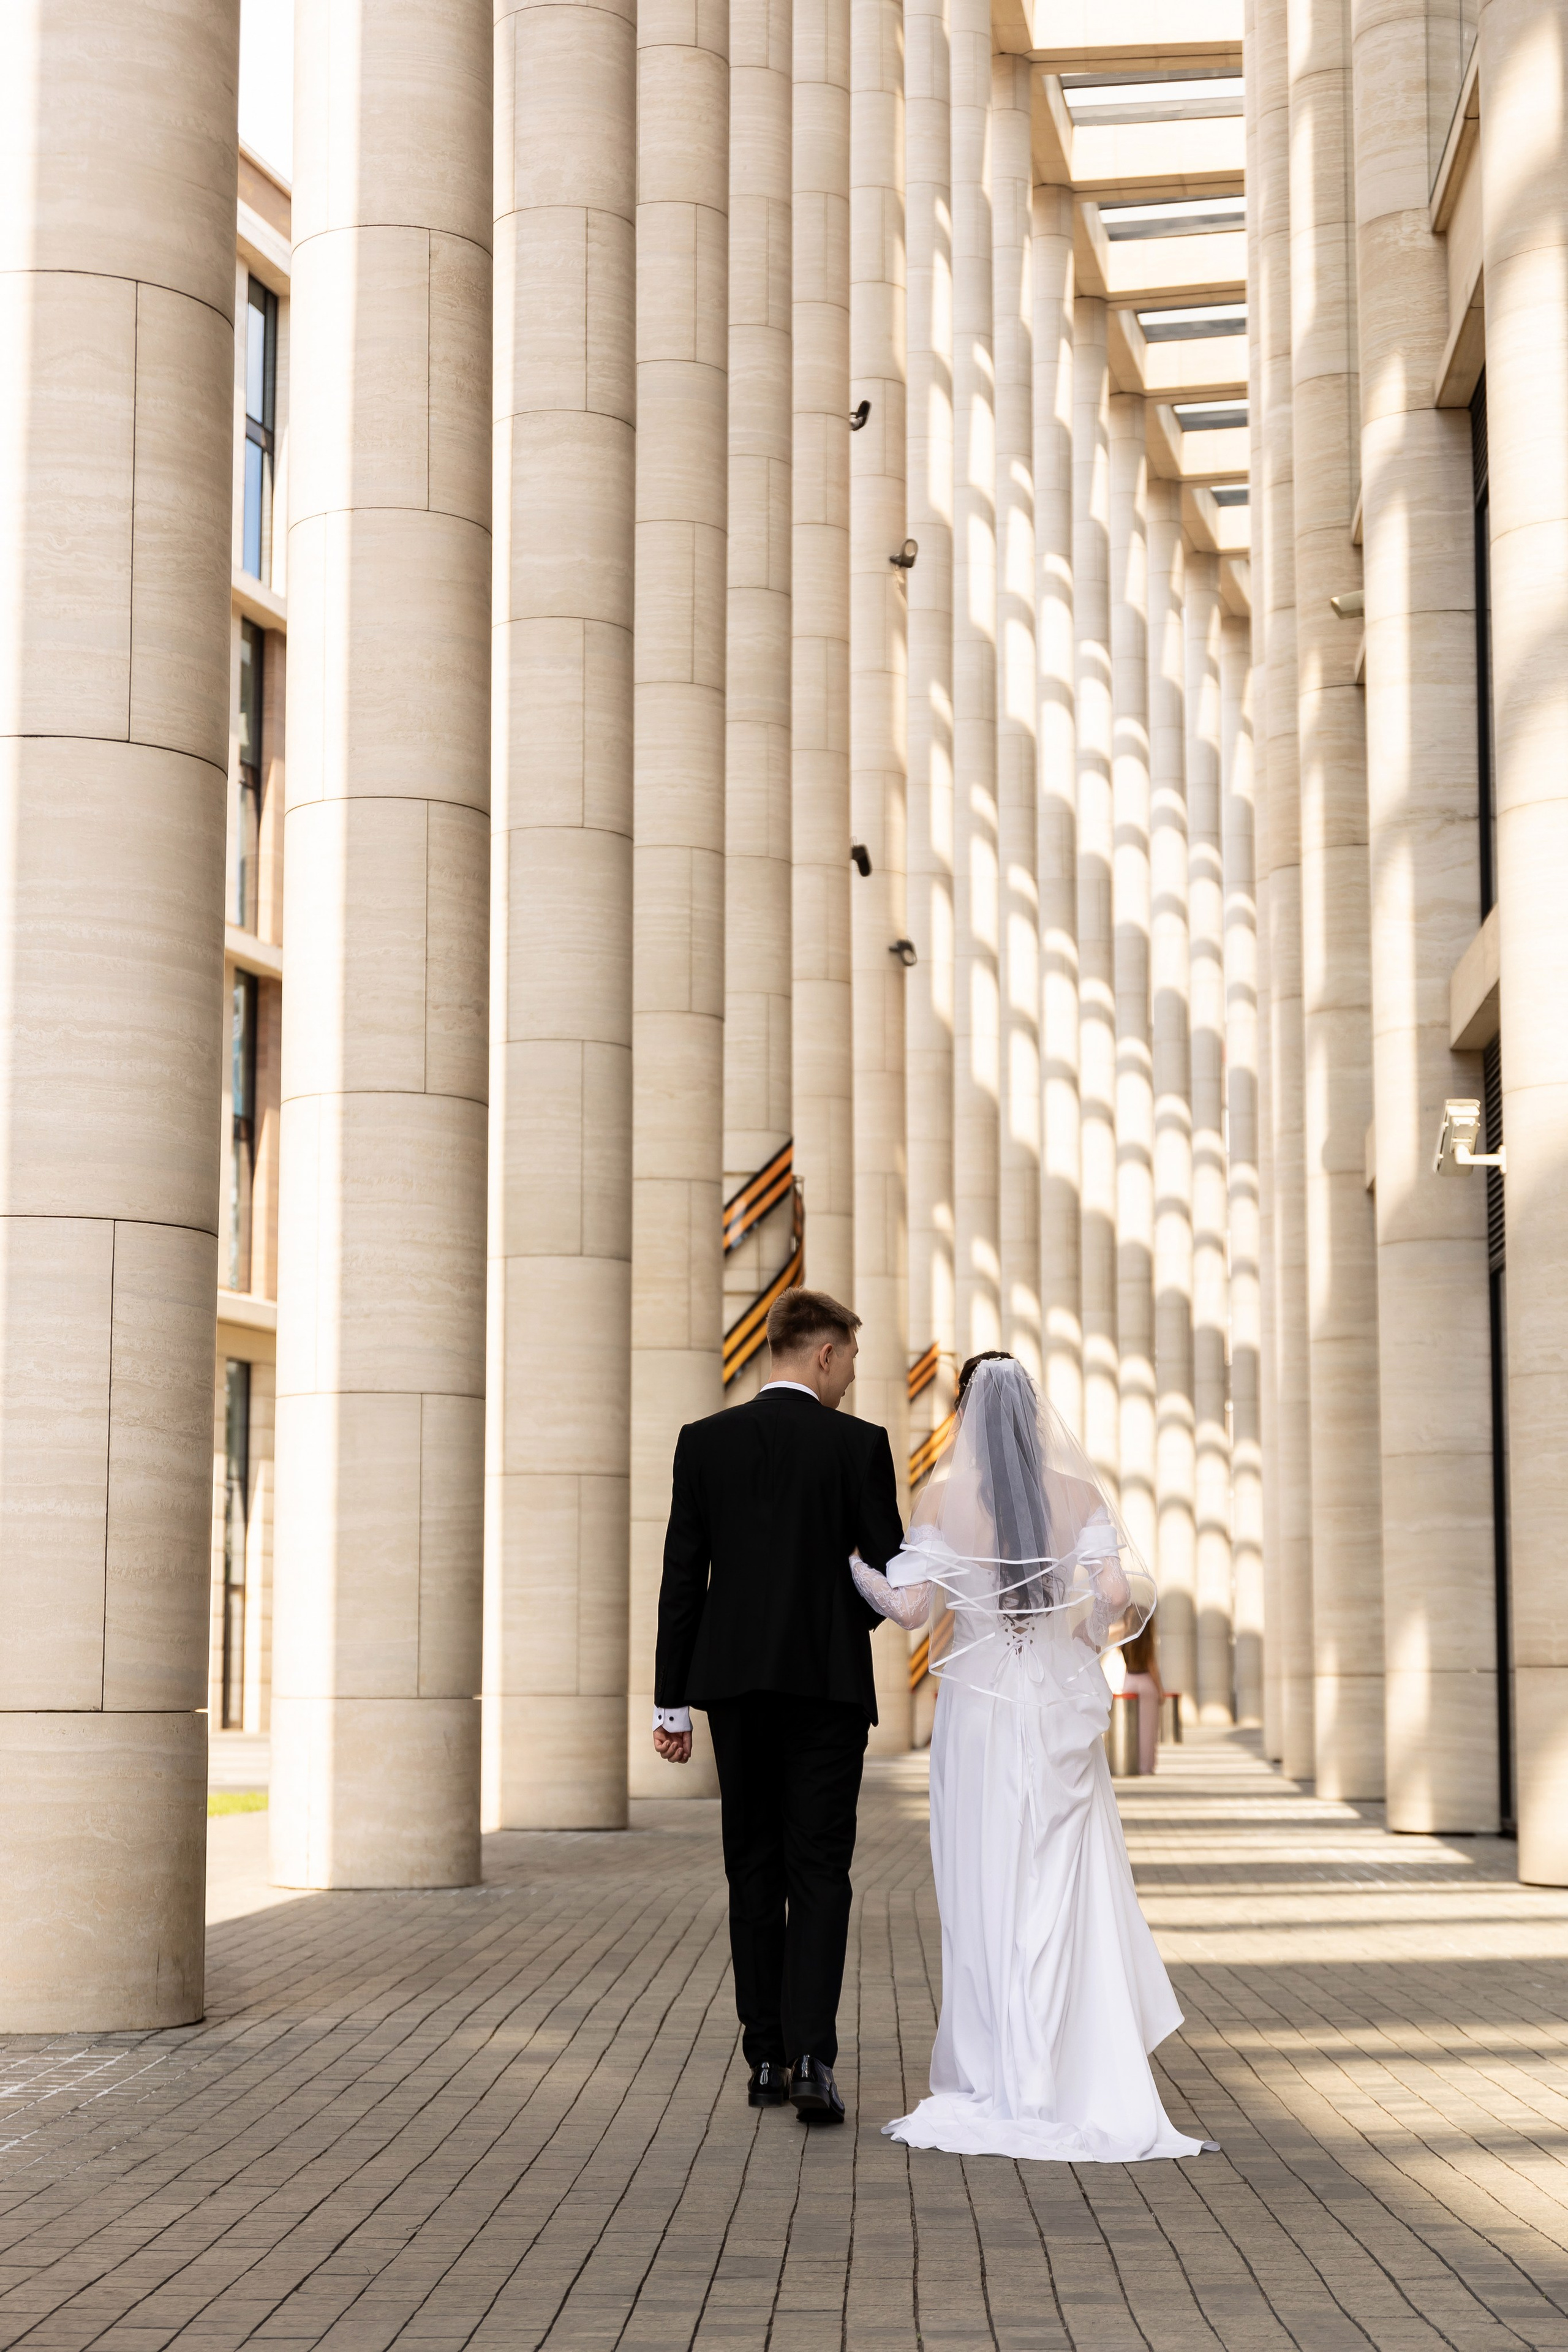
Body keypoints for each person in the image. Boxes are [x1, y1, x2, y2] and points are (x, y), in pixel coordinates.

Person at [850, 1351, 1216, 2163]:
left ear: (968, 1417)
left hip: (979, 1707)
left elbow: (911, 1611)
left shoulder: (943, 1499)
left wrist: (857, 1572)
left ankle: (995, 2068)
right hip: (1055, 1703)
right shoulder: (1079, 1494)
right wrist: (1081, 1640)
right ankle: (1064, 2059)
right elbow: (1116, 1597)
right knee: (1059, 1877)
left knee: (983, 1879)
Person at [652, 1287, 904, 2125]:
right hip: (827, 1688)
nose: (850, 1382)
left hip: (732, 1689)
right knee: (820, 1871)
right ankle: (809, 2061)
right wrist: (844, 1604)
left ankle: (762, 2059)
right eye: (851, 1363)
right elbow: (889, 1576)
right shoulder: (858, 1445)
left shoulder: (705, 1443)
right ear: (825, 1353)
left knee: (752, 1866)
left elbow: (683, 1577)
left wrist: (672, 1703)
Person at [1118, 1618, 1166, 1776]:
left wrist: (1126, 1628)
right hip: (1146, 1682)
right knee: (1147, 1728)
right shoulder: (1147, 1641)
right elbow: (1152, 1665)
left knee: (1130, 1728)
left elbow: (1118, 1645)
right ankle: (1145, 1766)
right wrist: (1160, 1690)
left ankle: (1129, 1762)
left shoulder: (1126, 1639)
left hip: (1129, 1681)